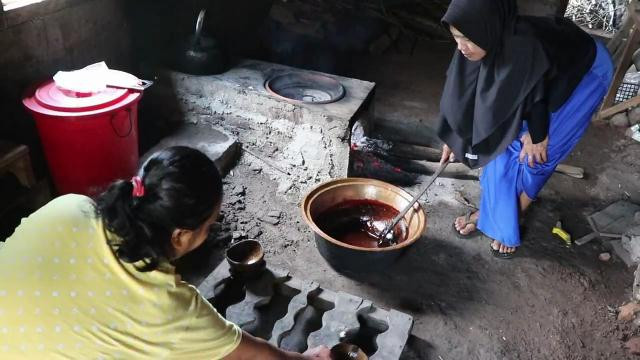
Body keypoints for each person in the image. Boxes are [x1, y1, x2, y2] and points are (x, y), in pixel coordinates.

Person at [0, 146, 330, 359]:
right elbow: (256, 356)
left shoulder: (69, 206)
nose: (210, 232)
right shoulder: (167, 308)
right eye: (209, 226)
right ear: (180, 236)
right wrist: (308, 358)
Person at [437, 0, 613, 258]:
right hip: (542, 76)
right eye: (456, 37)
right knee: (501, 140)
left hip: (582, 73)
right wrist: (454, 136)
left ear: (485, 29)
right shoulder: (479, 41)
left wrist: (538, 135)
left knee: (538, 154)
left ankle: (511, 216)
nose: (461, 46)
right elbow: (461, 97)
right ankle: (492, 212)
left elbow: (538, 99)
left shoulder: (521, 48)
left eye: (467, 39)